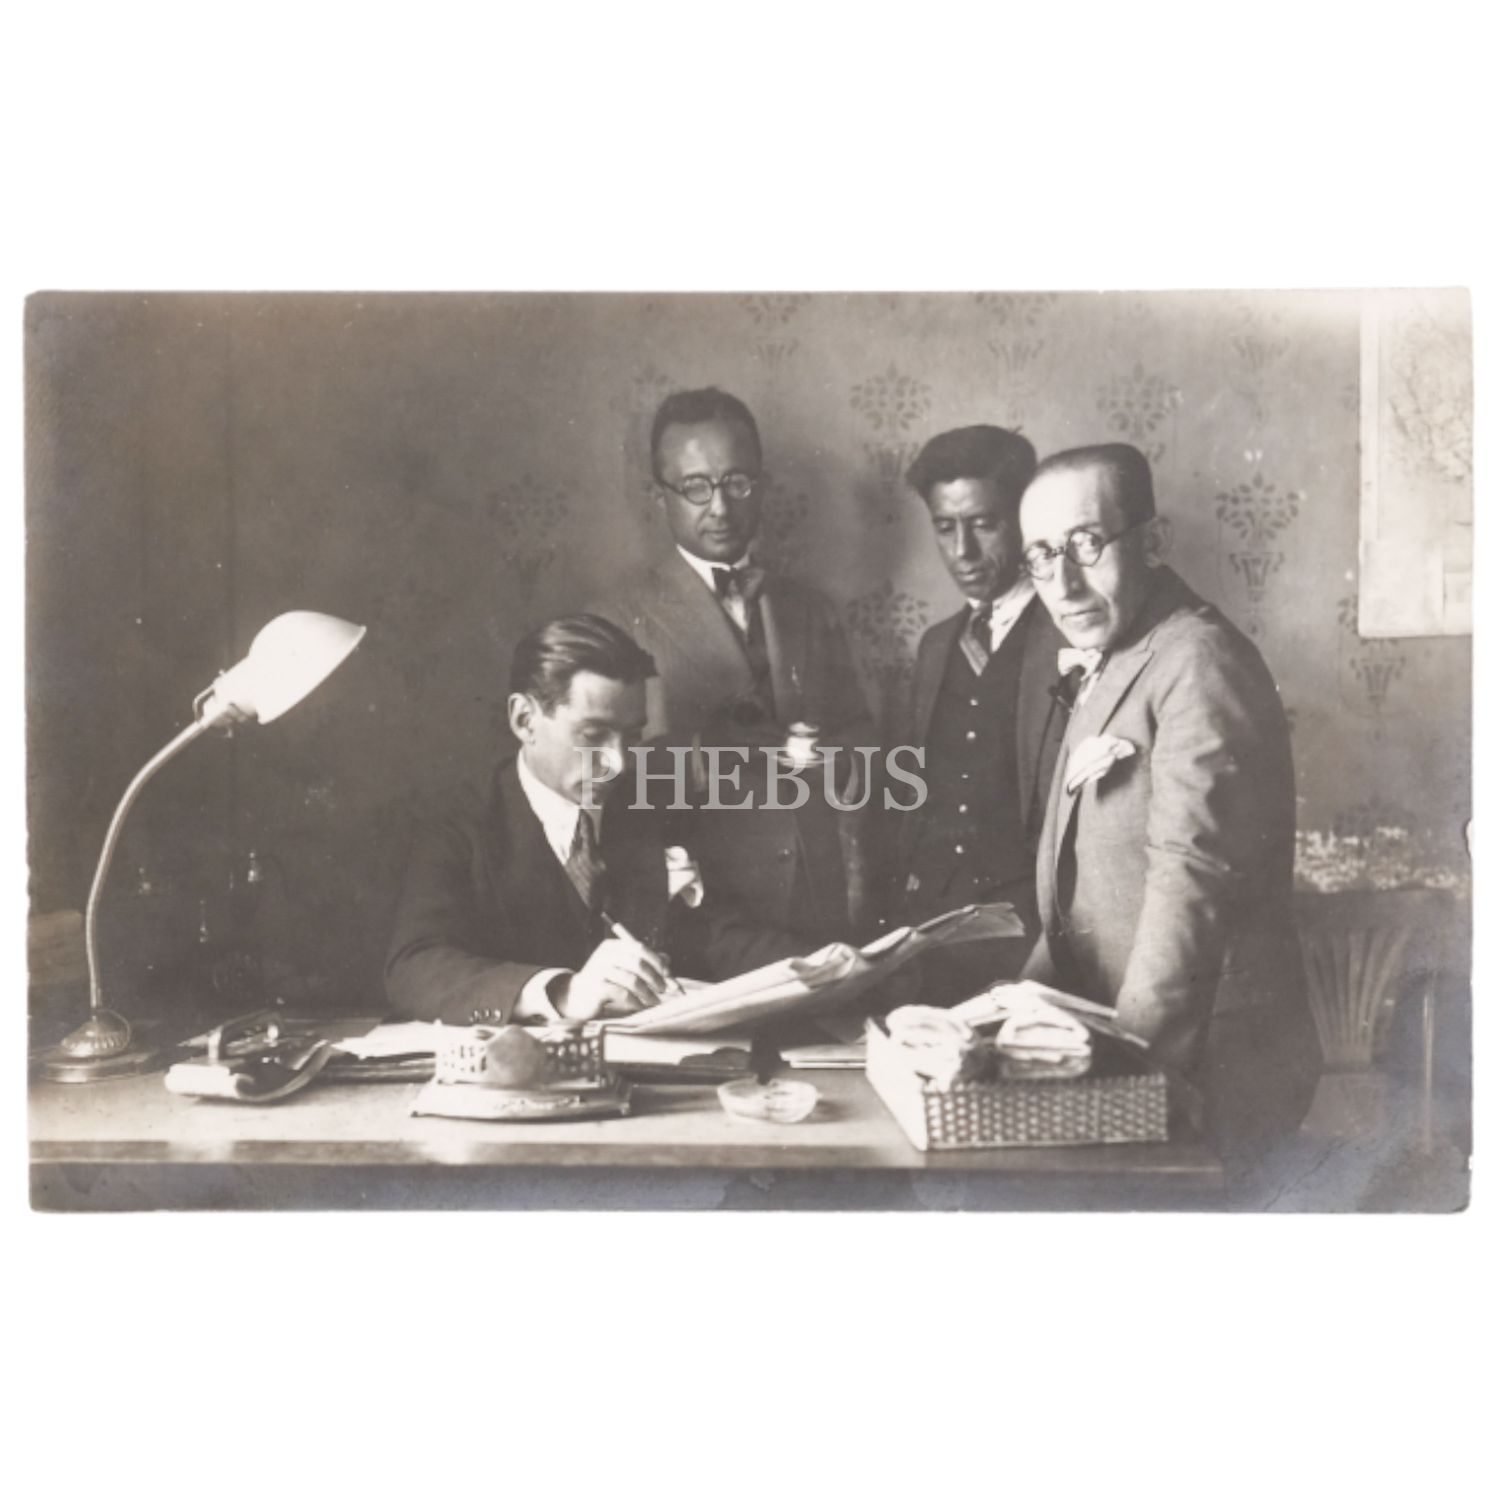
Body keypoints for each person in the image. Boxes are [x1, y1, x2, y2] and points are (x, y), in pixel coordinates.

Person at [1017, 443, 1319, 1160]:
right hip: (1128, 1042)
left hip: (1207, 1065)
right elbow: (1084, 897)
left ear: (1153, 542)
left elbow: (1191, 877)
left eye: (1086, 544)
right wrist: (1009, 1020)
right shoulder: (1123, 654)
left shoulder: (1197, 658)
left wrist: (1135, 1075)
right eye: (1041, 555)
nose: (1062, 582)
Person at [385, 614, 800, 1025]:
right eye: (592, 735)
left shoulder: (649, 807)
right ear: (524, 720)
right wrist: (564, 992)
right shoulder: (460, 822)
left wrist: (820, 970)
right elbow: (414, 966)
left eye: (631, 737)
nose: (618, 762)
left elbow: (715, 937)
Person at [595, 387, 875, 942]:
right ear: (660, 496)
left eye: (736, 483)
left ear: (760, 485)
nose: (720, 508)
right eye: (695, 487)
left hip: (814, 901)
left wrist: (830, 755)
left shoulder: (810, 608)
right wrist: (713, 752)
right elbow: (600, 780)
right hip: (701, 912)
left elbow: (860, 740)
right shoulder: (615, 619)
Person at [889, 425, 1068, 995]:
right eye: (946, 527)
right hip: (931, 928)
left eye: (983, 524)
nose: (962, 551)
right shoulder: (936, 645)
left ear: (1023, 520)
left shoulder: (1068, 636)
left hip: (1032, 933)